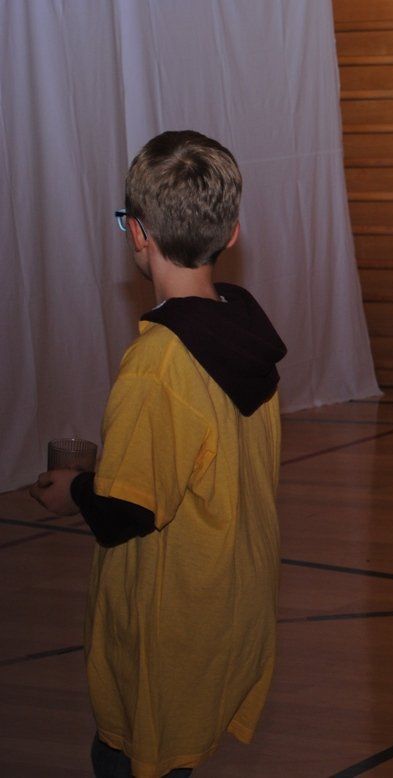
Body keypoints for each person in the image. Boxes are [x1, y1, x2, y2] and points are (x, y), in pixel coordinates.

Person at [30, 130, 286, 777]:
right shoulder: (245, 328)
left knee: (129, 757)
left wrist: (73, 490)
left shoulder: (158, 362)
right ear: (232, 234)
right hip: (230, 600)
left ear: (138, 233)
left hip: (170, 619)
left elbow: (127, 512)